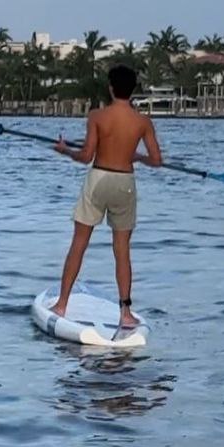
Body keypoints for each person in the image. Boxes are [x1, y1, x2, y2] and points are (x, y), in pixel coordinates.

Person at [51, 65, 162, 328]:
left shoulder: (97, 116)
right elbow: (157, 161)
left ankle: (62, 304)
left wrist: (65, 150)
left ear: (111, 88)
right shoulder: (142, 122)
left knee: (79, 243)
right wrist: (137, 156)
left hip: (99, 178)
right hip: (125, 182)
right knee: (122, 251)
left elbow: (86, 155)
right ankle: (125, 314)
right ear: (132, 90)